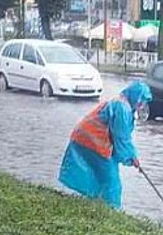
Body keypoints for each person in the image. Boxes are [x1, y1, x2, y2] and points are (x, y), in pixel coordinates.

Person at [58, 81, 153, 209]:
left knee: (100, 175)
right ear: (135, 95)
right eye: (142, 100)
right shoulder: (122, 108)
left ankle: (98, 204)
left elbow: (117, 137)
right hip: (93, 141)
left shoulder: (122, 104)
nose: (142, 105)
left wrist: (129, 157)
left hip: (84, 138)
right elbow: (121, 138)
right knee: (112, 182)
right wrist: (131, 157)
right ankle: (112, 209)